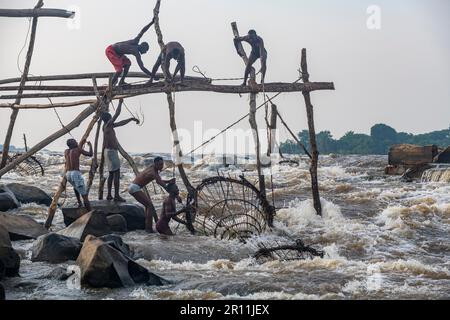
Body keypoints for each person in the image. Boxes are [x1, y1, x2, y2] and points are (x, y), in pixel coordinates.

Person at [100, 99, 140, 202]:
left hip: (108, 152)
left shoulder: (107, 126)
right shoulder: (108, 125)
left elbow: (121, 123)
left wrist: (131, 119)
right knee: (116, 174)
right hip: (111, 152)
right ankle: (116, 195)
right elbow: (117, 114)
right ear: (109, 119)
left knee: (111, 174)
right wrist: (120, 103)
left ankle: (109, 195)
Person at [128, 157, 179, 233]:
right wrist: (176, 194)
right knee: (149, 206)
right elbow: (162, 184)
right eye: (160, 164)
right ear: (155, 164)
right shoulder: (153, 172)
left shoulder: (152, 168)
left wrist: (168, 181)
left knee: (147, 206)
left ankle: (147, 226)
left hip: (133, 187)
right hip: (135, 188)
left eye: (162, 164)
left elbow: (159, 181)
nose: (161, 166)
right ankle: (149, 229)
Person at [105, 18, 157, 86]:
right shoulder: (135, 41)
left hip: (119, 55)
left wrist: (152, 76)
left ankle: (121, 81)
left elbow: (142, 67)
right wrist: (151, 22)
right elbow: (143, 31)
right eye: (145, 50)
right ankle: (110, 87)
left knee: (127, 63)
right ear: (142, 46)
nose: (145, 52)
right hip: (111, 51)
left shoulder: (137, 54)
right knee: (119, 70)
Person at [64, 138, 93, 212]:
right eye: (75, 141)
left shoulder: (66, 151)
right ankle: (90, 213)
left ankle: (79, 202)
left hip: (68, 174)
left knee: (75, 187)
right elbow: (90, 154)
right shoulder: (78, 149)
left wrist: (81, 143)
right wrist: (90, 146)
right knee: (85, 196)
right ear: (73, 144)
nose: (77, 142)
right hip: (75, 173)